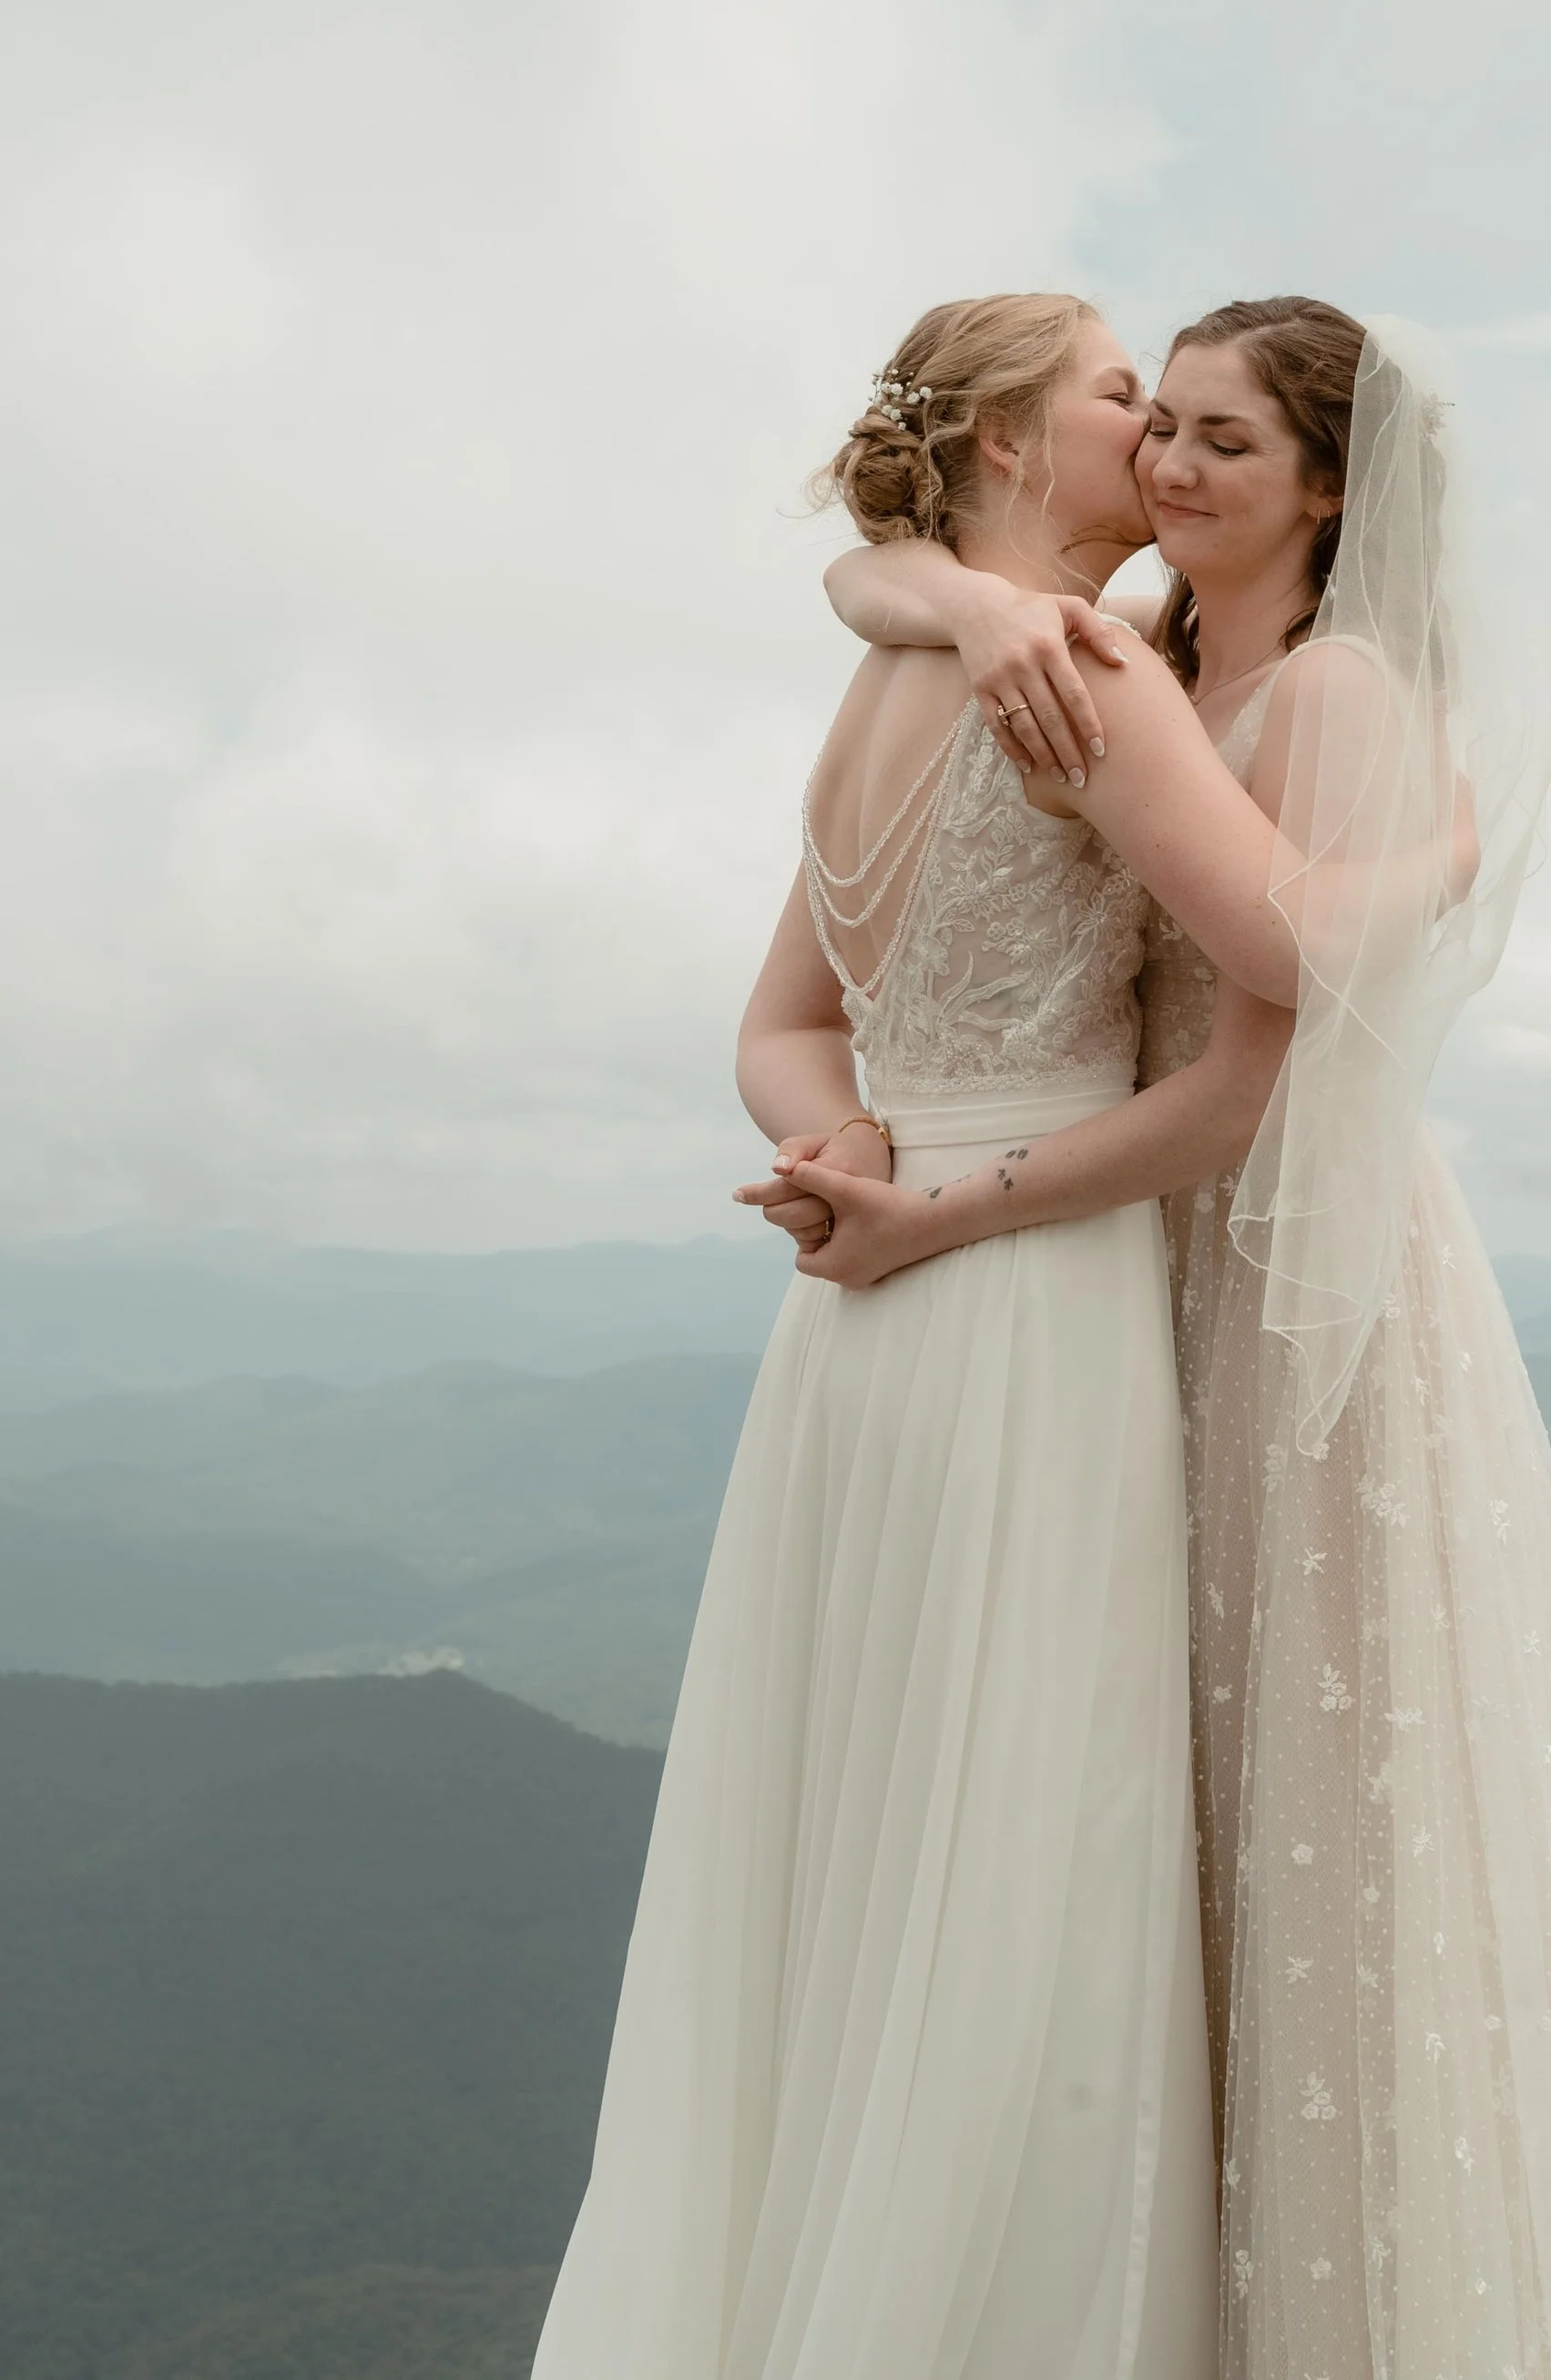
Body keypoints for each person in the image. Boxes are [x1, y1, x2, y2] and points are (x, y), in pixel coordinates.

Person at [821, 298, 1551, 2380]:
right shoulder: (1150, 661)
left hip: (1287, 1284)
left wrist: (1429, 856)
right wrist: (945, 593)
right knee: (1137, 1806)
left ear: (1332, 487)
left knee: (1308, 1817)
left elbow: (1253, 1068)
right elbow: (877, 572)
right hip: (1126, 1266)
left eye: (1225, 442)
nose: (1170, 466)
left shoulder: (1335, 691)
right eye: (1155, 424)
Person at [533, 291, 1312, 2380]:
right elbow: (1292, 954)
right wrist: (1450, 847)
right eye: (1117, 397)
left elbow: (778, 1029)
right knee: (1027, 1862)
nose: (1150, 430)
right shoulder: (1079, 670)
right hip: (1026, 1290)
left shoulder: (882, 673)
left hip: (857, 1321)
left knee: (864, 1845)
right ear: (1000, 444)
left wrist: (845, 1139)